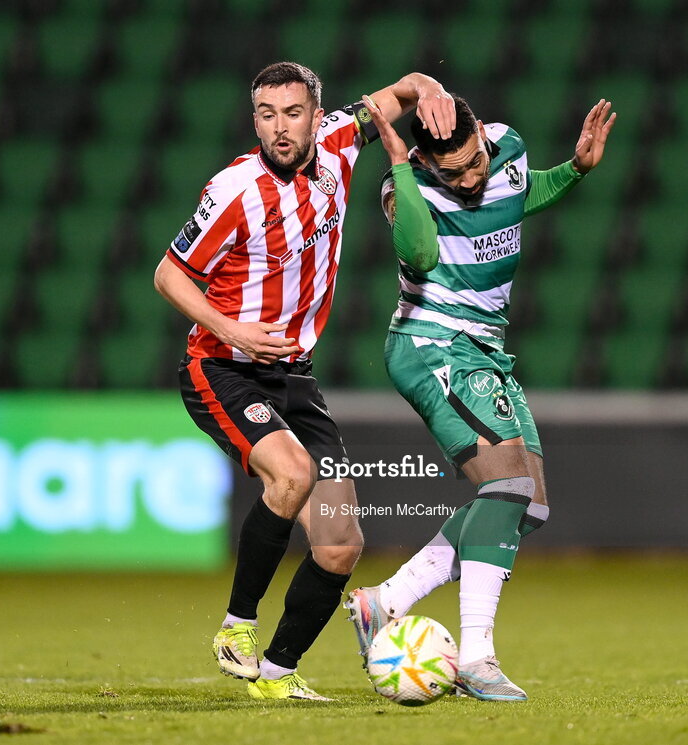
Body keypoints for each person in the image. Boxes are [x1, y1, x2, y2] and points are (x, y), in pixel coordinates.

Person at [153, 62, 455, 701]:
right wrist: (229, 329)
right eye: (266, 114)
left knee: (341, 543)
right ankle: (237, 628)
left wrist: (426, 87)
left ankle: (277, 675)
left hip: (294, 375)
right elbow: (169, 275)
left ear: (318, 117)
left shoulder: (344, 140)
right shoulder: (236, 188)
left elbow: (401, 90)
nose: (280, 127)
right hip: (224, 367)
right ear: (254, 119)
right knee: (291, 475)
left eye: (293, 113)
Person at [345, 93, 616, 701]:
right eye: (454, 172)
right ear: (425, 160)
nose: (469, 179)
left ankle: (383, 601)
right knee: (507, 488)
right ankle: (476, 657)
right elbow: (418, 253)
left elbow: (521, 194)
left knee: (530, 507)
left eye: (474, 163)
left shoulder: (509, 147)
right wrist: (398, 167)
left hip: (487, 349)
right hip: (433, 343)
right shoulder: (403, 189)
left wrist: (573, 170)